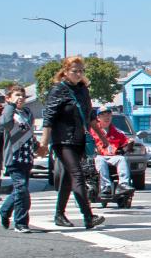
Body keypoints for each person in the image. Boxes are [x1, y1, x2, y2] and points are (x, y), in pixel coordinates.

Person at [39, 56, 105, 229]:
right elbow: (49, 118)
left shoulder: (83, 90)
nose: (78, 74)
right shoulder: (58, 90)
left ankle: (59, 215)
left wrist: (102, 138)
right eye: (74, 71)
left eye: (81, 70)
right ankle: (88, 216)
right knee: (77, 175)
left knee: (68, 179)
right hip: (63, 140)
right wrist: (44, 143)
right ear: (65, 72)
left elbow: (90, 117)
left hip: (79, 140)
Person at [0, 86, 43, 233]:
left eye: (23, 96)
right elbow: (5, 123)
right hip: (14, 157)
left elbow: (29, 134)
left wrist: (37, 146)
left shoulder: (27, 113)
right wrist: (10, 106)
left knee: (19, 191)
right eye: (17, 95)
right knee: (22, 189)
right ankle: (21, 222)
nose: (21, 98)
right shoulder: (9, 112)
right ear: (9, 98)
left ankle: (4, 211)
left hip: (26, 157)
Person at [90, 108, 133, 195]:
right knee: (100, 160)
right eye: (103, 115)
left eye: (109, 115)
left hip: (112, 156)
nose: (107, 117)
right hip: (97, 156)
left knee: (121, 158)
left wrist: (130, 143)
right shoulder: (93, 130)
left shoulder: (116, 132)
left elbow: (125, 142)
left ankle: (123, 184)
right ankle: (106, 186)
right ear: (98, 117)